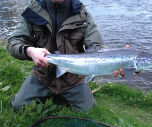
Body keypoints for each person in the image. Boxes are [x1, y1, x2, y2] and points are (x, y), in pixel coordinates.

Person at [7, 0, 138, 112]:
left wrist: (117, 56)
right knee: (18, 106)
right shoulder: (32, 10)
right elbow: (14, 43)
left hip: (73, 79)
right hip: (42, 76)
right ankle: (51, 93)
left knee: (88, 110)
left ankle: (62, 94)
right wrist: (30, 51)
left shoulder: (82, 13)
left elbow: (97, 46)